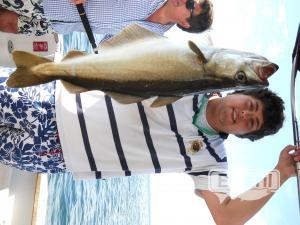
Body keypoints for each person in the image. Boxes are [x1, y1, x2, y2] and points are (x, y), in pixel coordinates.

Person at [0, 71, 299, 225]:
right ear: (240, 92)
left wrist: (279, 175)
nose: (244, 115)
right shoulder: (197, 78)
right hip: (53, 98)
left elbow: (227, 217)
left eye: (252, 123)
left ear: (245, 135)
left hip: (57, 154)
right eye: (250, 106)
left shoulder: (211, 159)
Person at [0, 0, 213, 38]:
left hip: (57, 26)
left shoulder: (151, 39)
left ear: (185, 24)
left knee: (7, 24)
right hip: (52, 2)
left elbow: (106, 46)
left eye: (191, 5)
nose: (184, 0)